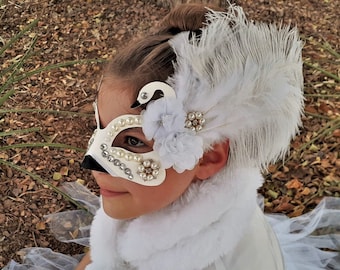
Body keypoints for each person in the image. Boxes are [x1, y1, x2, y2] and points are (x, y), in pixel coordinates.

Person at [4, 3, 340, 270]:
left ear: (207, 156)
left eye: (133, 141)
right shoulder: (152, 192)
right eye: (99, 128)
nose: (92, 159)